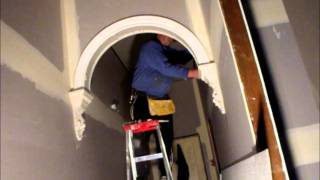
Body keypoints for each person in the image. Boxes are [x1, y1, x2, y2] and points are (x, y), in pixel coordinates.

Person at [130, 34, 199, 179]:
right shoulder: (150, 47)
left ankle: (164, 174)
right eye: (169, 36)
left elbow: (180, 57)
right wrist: (193, 73)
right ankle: (141, 176)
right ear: (159, 33)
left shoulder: (165, 51)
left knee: (166, 139)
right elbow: (166, 68)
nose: (171, 39)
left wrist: (195, 49)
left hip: (161, 102)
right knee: (141, 142)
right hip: (143, 100)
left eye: (173, 37)